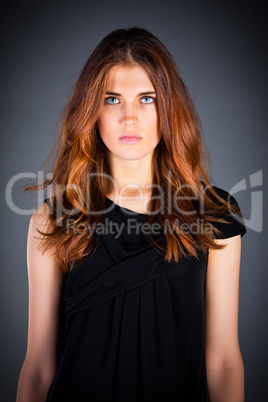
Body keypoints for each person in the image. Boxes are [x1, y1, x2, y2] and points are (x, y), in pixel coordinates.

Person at [16, 27, 247, 402]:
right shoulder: (53, 219)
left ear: (169, 109)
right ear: (91, 112)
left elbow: (222, 362)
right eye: (111, 99)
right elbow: (39, 367)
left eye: (146, 98)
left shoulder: (215, 216)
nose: (129, 117)